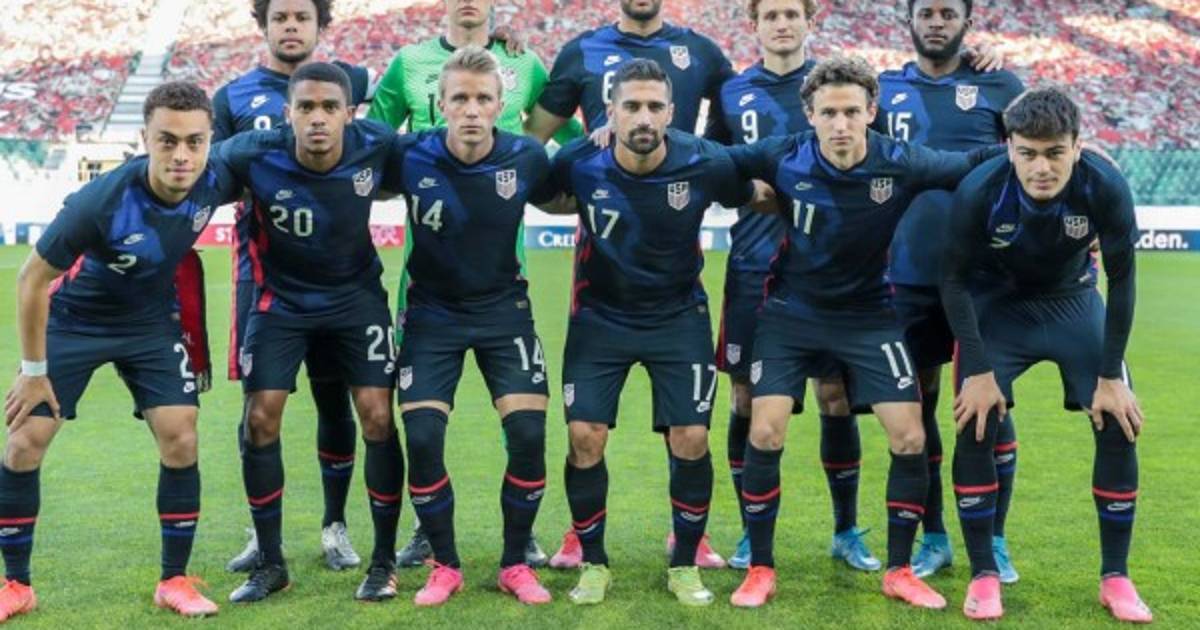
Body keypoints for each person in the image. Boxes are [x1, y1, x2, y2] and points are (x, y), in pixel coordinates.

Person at [722, 55, 1002, 610]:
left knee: (911, 437)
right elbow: (712, 160)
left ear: (872, 111)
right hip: (791, 314)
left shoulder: (900, 160)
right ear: (810, 115)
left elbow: (972, 161)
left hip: (870, 316)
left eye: (852, 111)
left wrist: (1055, 147)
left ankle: (899, 570)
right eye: (829, 113)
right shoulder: (784, 154)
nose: (841, 124)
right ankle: (760, 567)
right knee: (766, 430)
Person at [1, 82, 242, 620]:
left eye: (195, 142)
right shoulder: (101, 201)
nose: (181, 155)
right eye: (167, 141)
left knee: (181, 434)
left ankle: (174, 580)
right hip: (76, 322)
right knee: (24, 442)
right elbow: (32, 279)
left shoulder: (219, 175)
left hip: (151, 324)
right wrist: (34, 371)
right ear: (145, 139)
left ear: (210, 141)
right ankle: (16, 584)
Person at [539, 59, 757, 606]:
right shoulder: (578, 160)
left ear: (672, 112)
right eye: (631, 106)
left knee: (691, 438)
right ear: (609, 111)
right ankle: (594, 562)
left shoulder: (704, 160)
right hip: (599, 318)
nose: (643, 117)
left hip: (678, 317)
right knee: (585, 435)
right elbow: (540, 194)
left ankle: (684, 564)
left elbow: (755, 192)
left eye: (654, 106)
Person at [367, 0, 575, 568]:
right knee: (423, 434)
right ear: (440, 103)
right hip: (428, 299)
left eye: (484, 99)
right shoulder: (409, 127)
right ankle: (431, 538)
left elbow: (569, 161)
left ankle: (519, 543)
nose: (472, 109)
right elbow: (366, 153)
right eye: (459, 98)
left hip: (504, 295)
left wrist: (613, 147)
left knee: (524, 430)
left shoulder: (525, 120)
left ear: (500, 104)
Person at [940, 87, 1150, 622]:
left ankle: (1116, 578)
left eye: (1055, 152)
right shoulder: (980, 189)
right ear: (1009, 147)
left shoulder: (1103, 184)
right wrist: (978, 369)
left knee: (1118, 420)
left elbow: (1124, 280)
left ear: (1077, 146)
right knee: (975, 420)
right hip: (998, 306)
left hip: (1073, 302)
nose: (1041, 167)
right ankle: (984, 574)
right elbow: (954, 281)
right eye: (1028, 153)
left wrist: (1110, 375)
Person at [219, 63, 406, 604]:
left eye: (329, 108)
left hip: (355, 301)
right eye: (306, 107)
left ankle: (383, 562)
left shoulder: (377, 144)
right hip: (280, 303)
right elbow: (190, 174)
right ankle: (271, 562)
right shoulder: (251, 152)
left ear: (350, 114)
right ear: (288, 114)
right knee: (260, 417)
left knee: (377, 415)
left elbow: (442, 159)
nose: (318, 118)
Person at [704, 0, 880, 573]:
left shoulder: (837, 89)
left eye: (791, 13)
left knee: (835, 397)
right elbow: (714, 166)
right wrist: (747, 192)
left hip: (830, 271)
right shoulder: (733, 92)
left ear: (811, 21)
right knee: (746, 399)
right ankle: (751, 533)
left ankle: (846, 530)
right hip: (753, 267)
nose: (782, 23)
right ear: (753, 25)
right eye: (771, 14)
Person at [213, 0, 376, 574]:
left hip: (339, 278)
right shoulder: (233, 97)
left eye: (301, 17)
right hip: (261, 275)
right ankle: (262, 535)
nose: (290, 26)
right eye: (279, 17)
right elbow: (218, 173)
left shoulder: (353, 81)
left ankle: (336, 526)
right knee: (259, 407)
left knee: (336, 400)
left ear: (319, 25)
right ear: (263, 25)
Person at [874, 0, 1025, 581]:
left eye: (947, 12)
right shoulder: (883, 90)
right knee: (919, 409)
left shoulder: (1001, 85)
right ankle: (934, 535)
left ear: (968, 22)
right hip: (907, 274)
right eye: (926, 12)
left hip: (984, 278)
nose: (936, 22)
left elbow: (1036, 155)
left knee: (990, 406)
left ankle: (996, 538)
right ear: (908, 21)